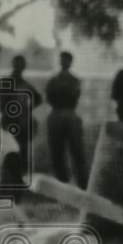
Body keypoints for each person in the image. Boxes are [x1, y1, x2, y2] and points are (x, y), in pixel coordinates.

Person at [45, 51, 88, 188]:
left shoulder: (75, 80)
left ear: (71, 62)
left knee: (77, 151)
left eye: (67, 60)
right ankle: (61, 184)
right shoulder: (53, 80)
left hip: (70, 114)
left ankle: (82, 184)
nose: (64, 62)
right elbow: (49, 97)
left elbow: (75, 96)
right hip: (56, 114)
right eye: (62, 60)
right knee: (57, 152)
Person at [2, 55, 44, 174]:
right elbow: (1, 103)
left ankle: (21, 175)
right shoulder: (6, 82)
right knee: (10, 149)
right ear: (13, 65)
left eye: (22, 65)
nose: (19, 67)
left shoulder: (26, 85)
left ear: (24, 67)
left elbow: (38, 99)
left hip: (23, 122)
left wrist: (27, 109)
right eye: (17, 64)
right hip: (10, 122)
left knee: (23, 149)